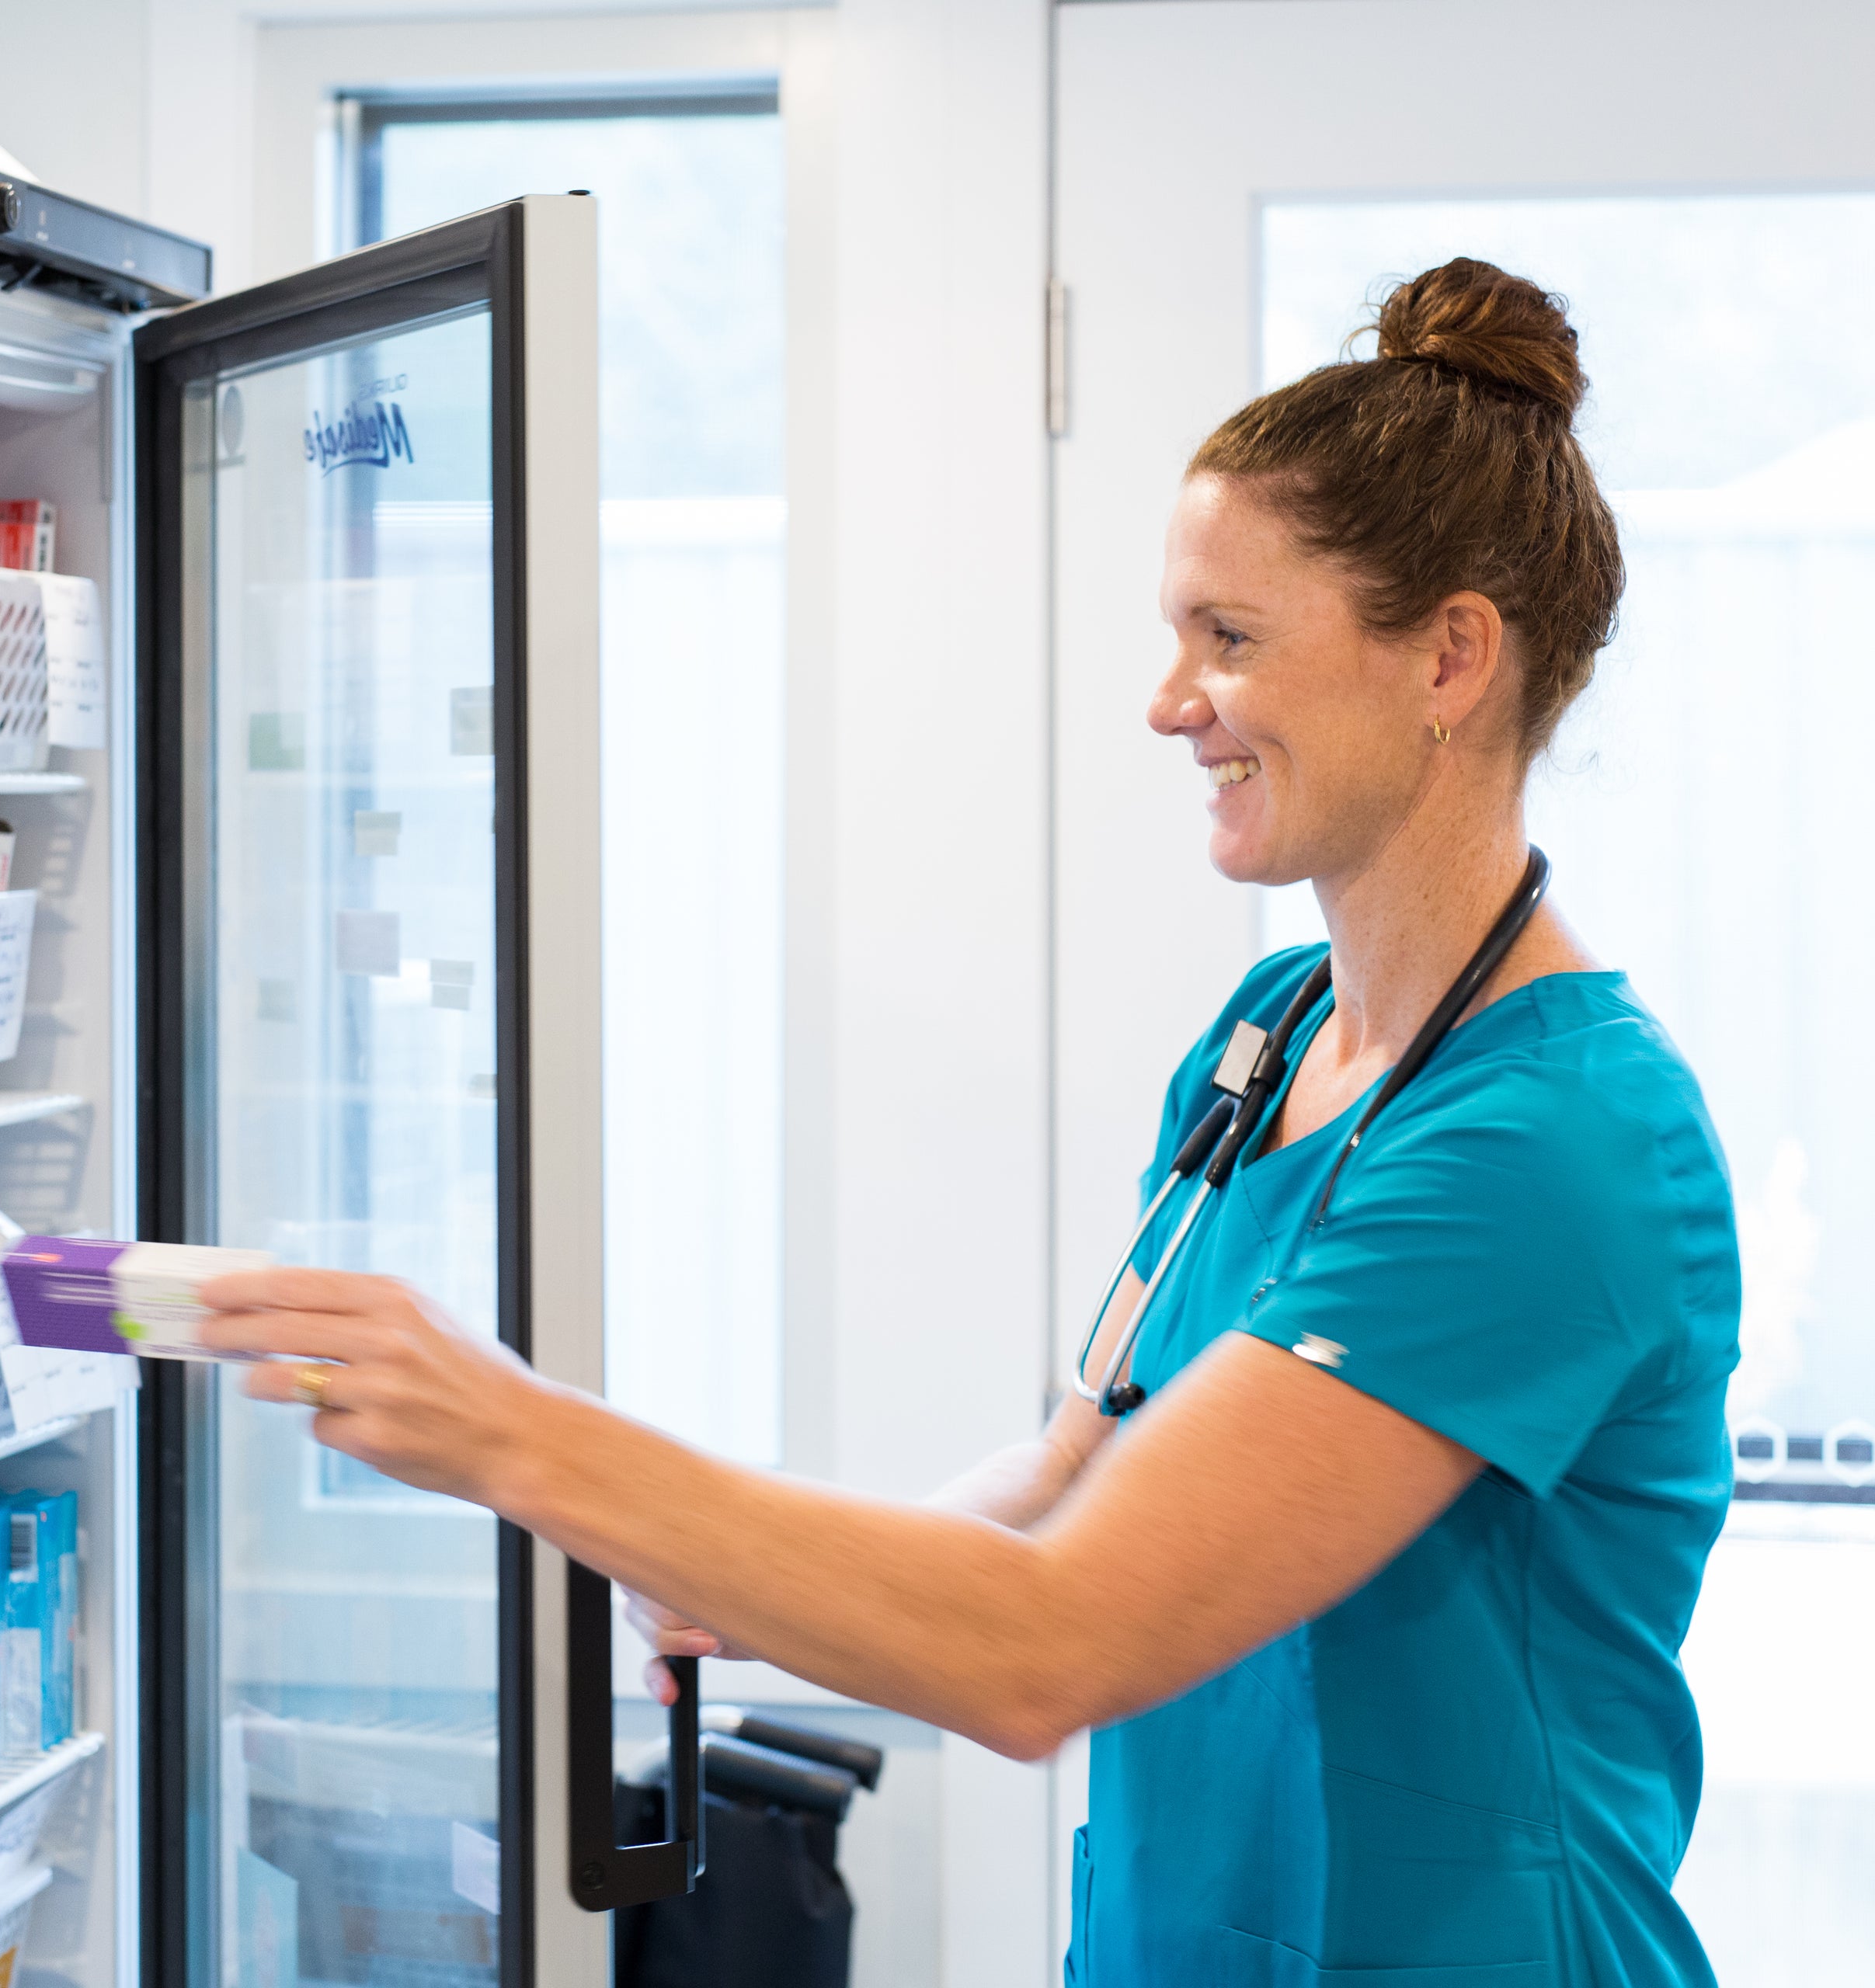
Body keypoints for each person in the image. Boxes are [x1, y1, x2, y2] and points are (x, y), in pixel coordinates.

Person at [195, 257, 1740, 1986]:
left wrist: (508, 1428)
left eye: (1229, 639)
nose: (1171, 701)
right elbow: (1074, 1477)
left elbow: (1053, 1642)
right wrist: (744, 1565)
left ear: (1451, 653)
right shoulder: (1269, 1037)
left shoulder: (1555, 1144)